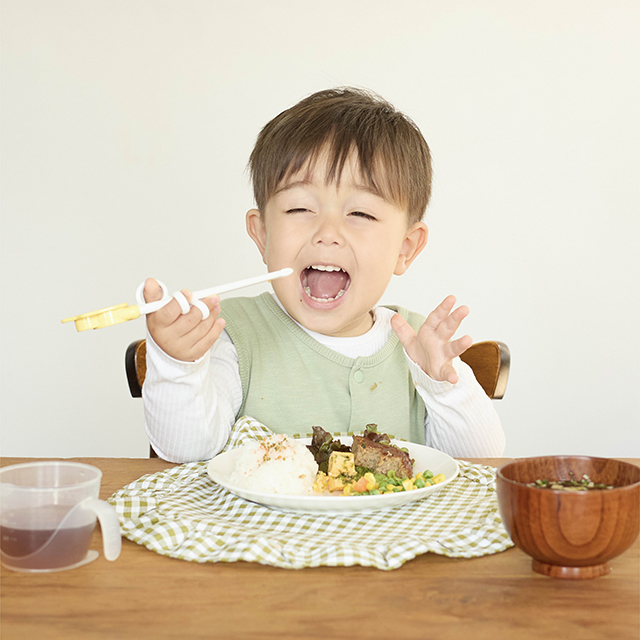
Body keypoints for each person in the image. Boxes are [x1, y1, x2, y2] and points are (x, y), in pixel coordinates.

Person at [142, 87, 505, 463]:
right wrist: (177, 366)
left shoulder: (417, 345)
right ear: (262, 234)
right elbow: (184, 450)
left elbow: (482, 460)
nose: (327, 233)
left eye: (360, 214)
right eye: (300, 208)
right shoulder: (232, 335)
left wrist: (443, 387)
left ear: (405, 247)